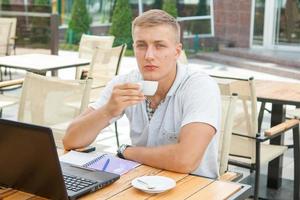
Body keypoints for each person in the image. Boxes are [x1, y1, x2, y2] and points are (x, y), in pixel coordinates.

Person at [63, 9, 221, 178]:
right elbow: (71, 140)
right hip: (143, 183)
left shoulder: (199, 86)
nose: (149, 55)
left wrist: (127, 152)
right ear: (134, 48)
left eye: (159, 46)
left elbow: (185, 160)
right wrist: (108, 110)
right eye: (141, 45)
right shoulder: (125, 83)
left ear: (177, 52)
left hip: (196, 188)